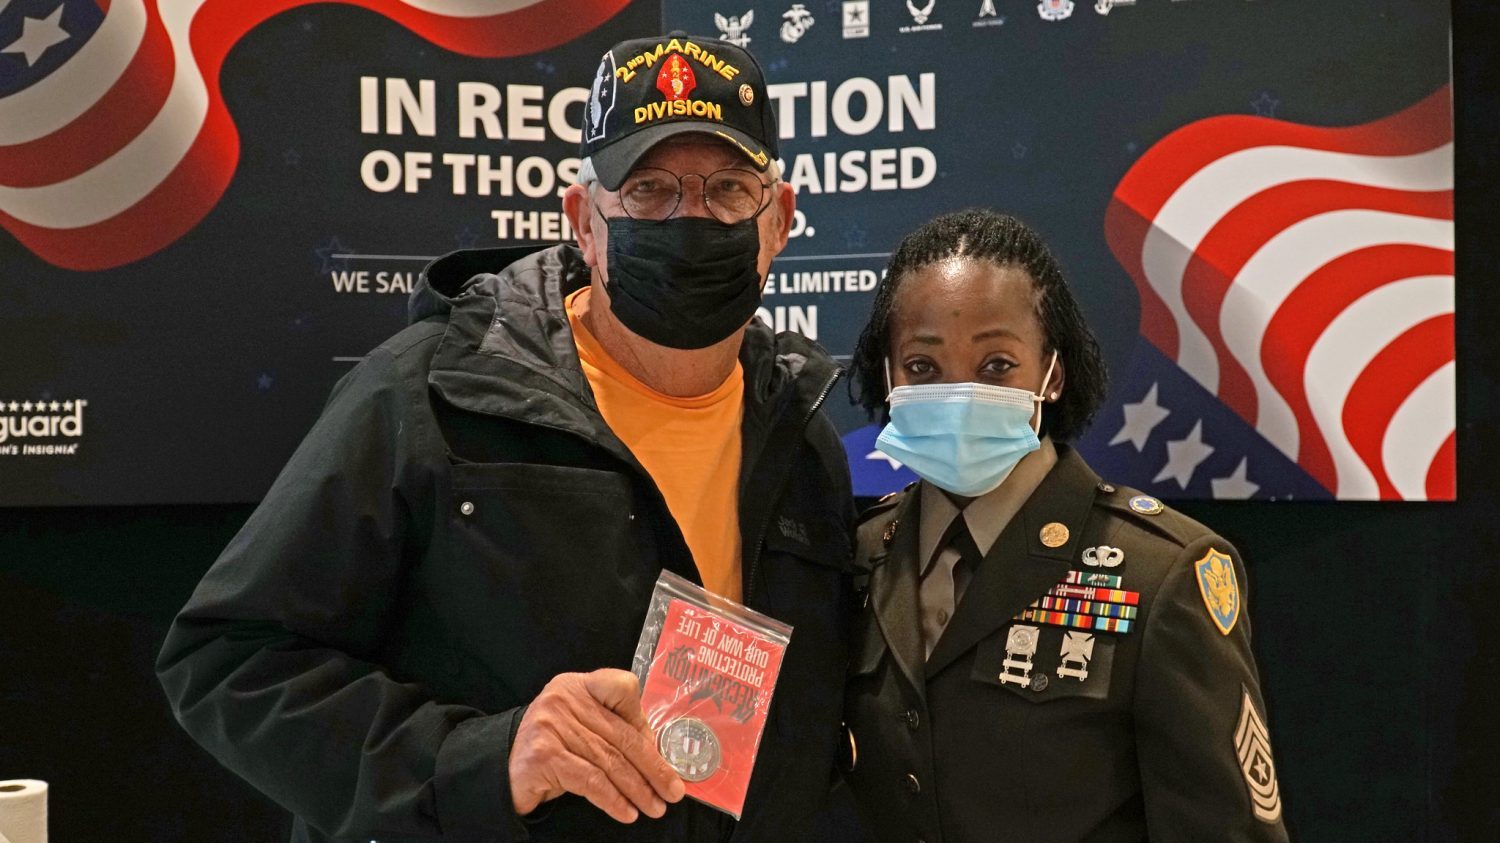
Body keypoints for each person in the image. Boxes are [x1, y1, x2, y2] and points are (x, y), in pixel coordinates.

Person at [157, 33, 855, 843]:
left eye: (729, 189)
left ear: (780, 220)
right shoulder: (432, 393)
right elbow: (227, 660)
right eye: (650, 189)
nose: (689, 218)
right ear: (582, 222)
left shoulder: (802, 437)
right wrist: (480, 759)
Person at [840, 209, 1289, 842]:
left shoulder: (1161, 573)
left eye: (997, 364)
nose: (959, 390)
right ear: (887, 376)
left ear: (1054, 372)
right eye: (922, 367)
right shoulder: (861, 554)